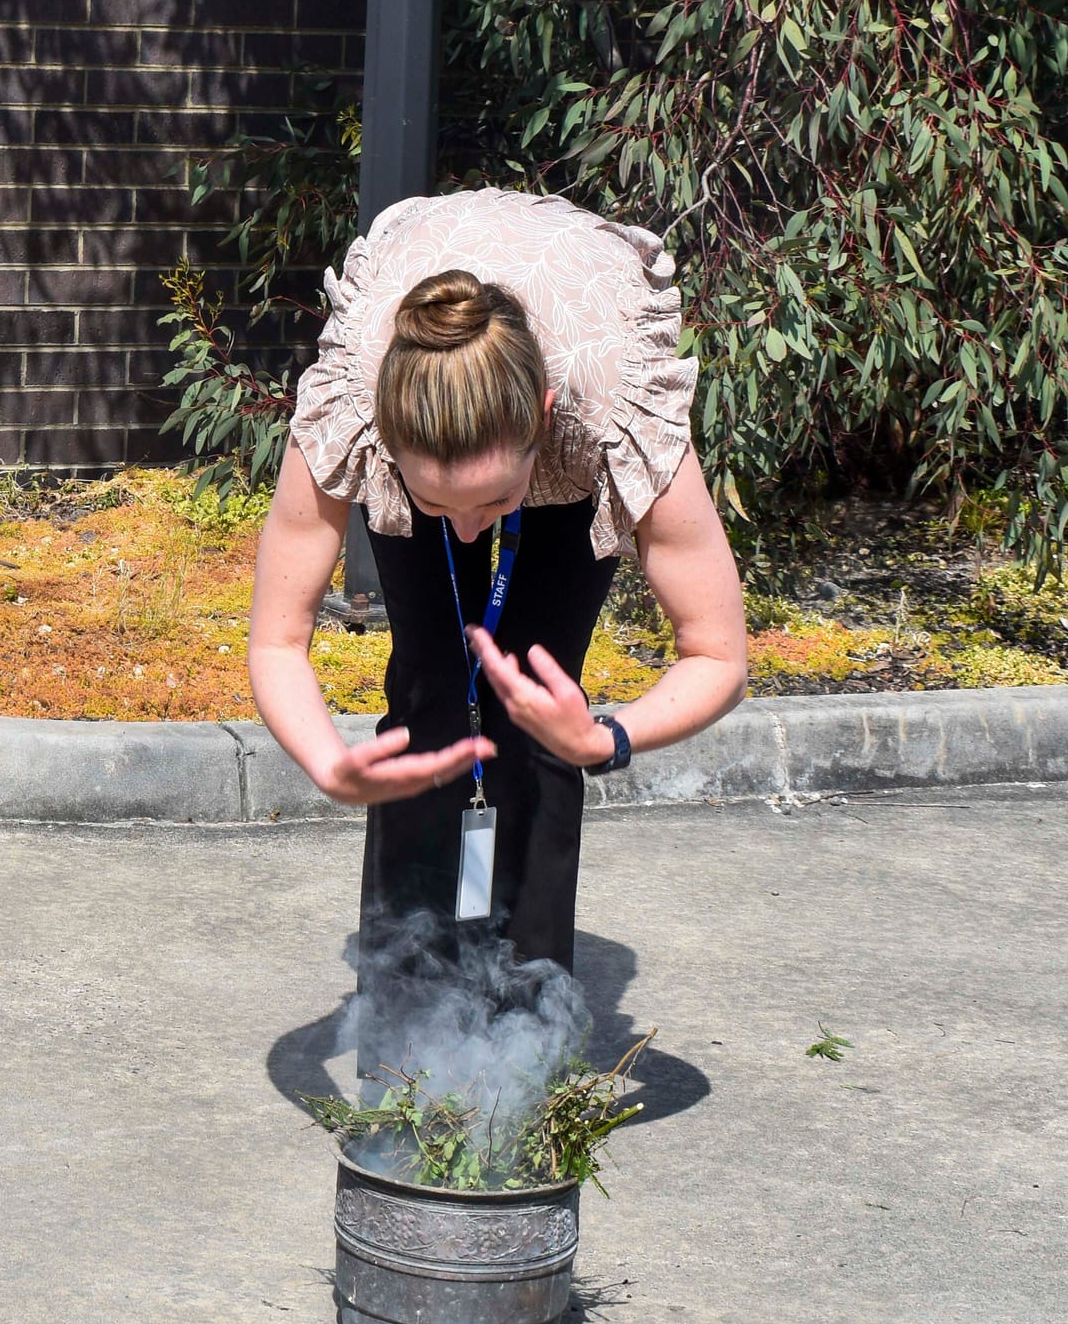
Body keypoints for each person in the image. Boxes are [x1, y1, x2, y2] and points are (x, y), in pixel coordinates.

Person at [248, 187, 749, 974]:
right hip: (424, 339)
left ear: (542, 420)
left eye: (493, 501)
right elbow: (278, 642)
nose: (467, 528)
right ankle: (408, 991)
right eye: (435, 502)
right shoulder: (355, 400)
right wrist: (324, 763)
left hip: (581, 344)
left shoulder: (610, 407)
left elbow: (718, 654)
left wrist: (606, 739)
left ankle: (531, 995)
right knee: (431, 690)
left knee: (541, 705)